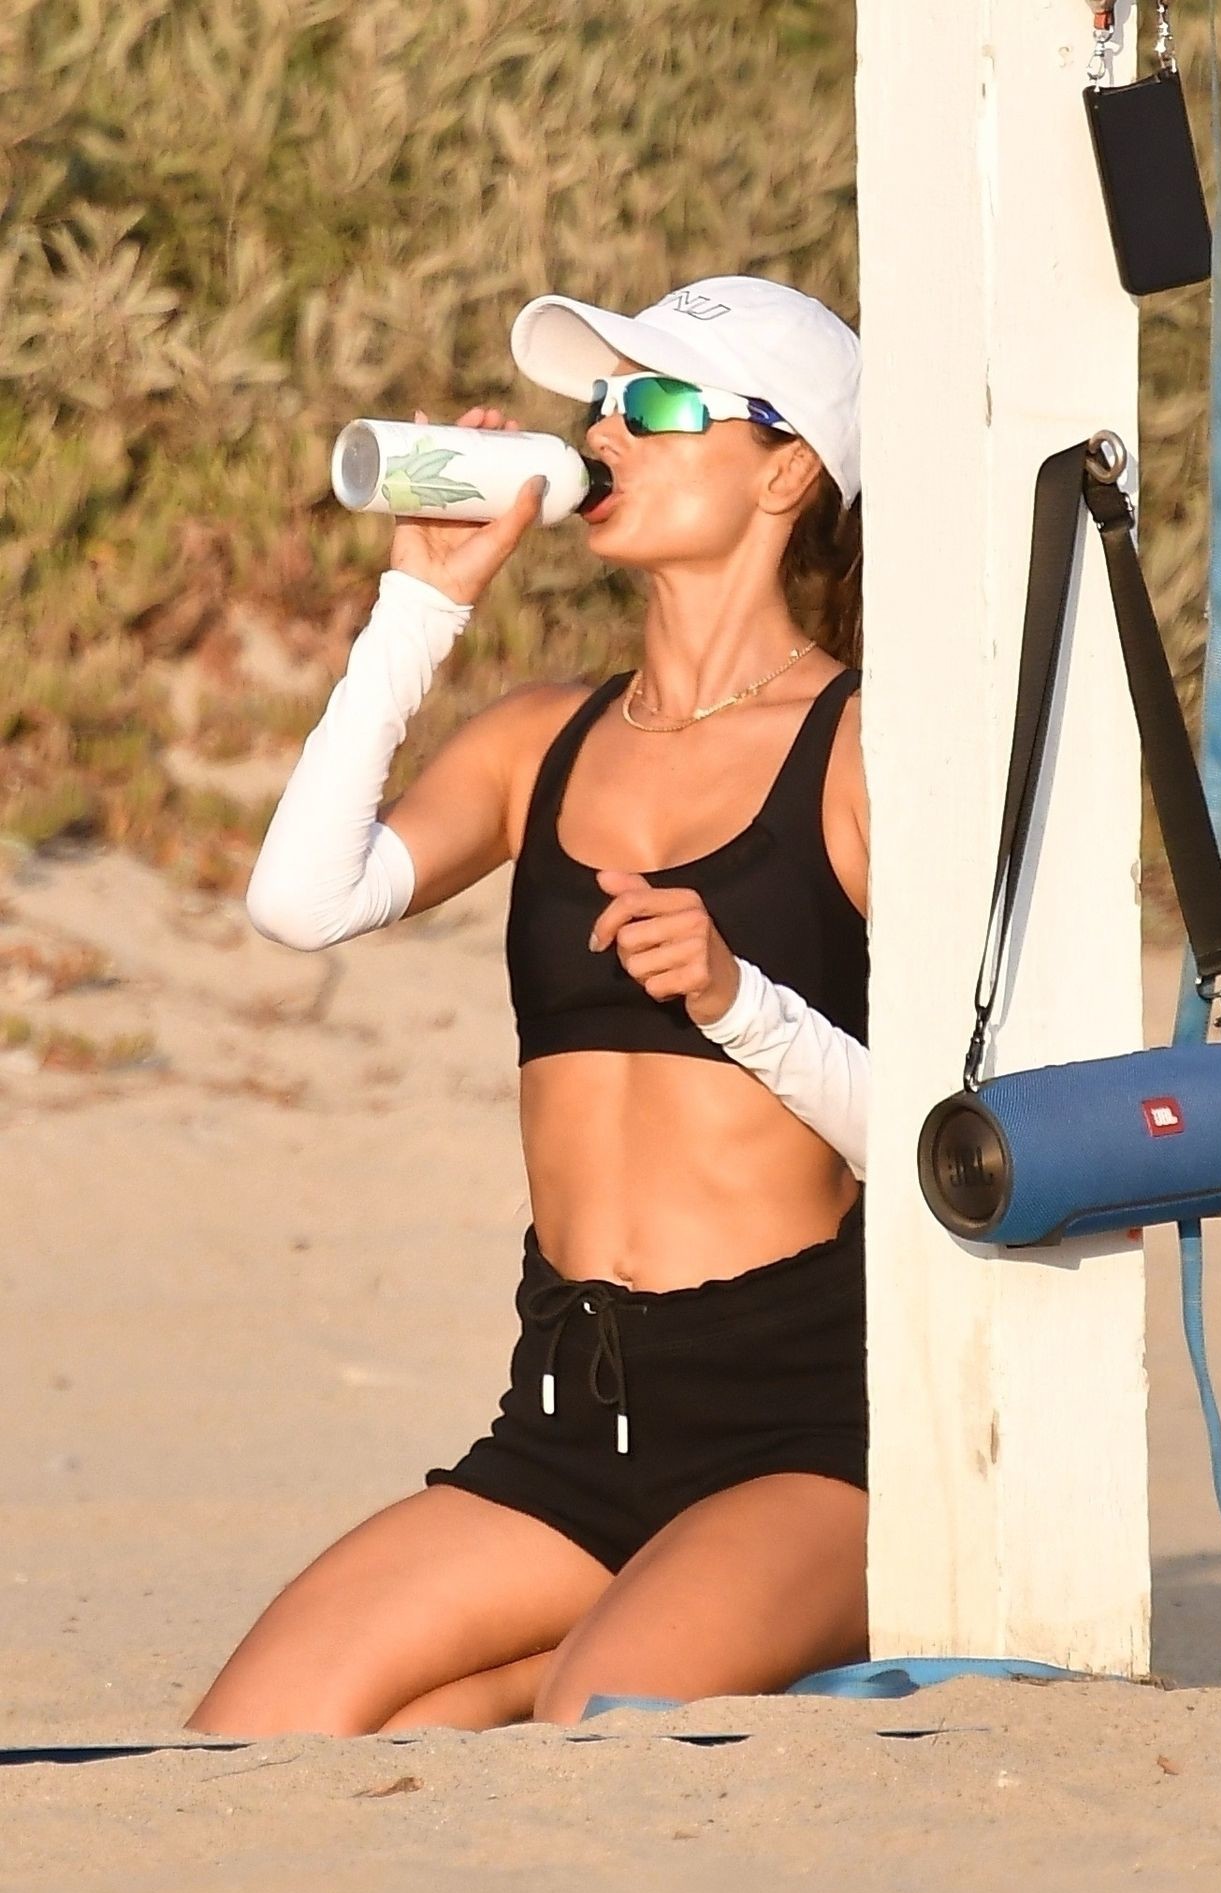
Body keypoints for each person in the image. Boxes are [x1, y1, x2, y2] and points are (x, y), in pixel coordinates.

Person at [185, 274, 871, 1736]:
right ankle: (557, 1655)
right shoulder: (538, 738)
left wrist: (742, 1003)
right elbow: (301, 900)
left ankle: (601, 1655)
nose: (608, 428)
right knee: (245, 1741)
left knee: (596, 1726)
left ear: (788, 470)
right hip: (565, 1418)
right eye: (603, 400)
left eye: (661, 402)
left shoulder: (862, 746)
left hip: (802, 1431)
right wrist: (422, 602)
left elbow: (957, 1141)